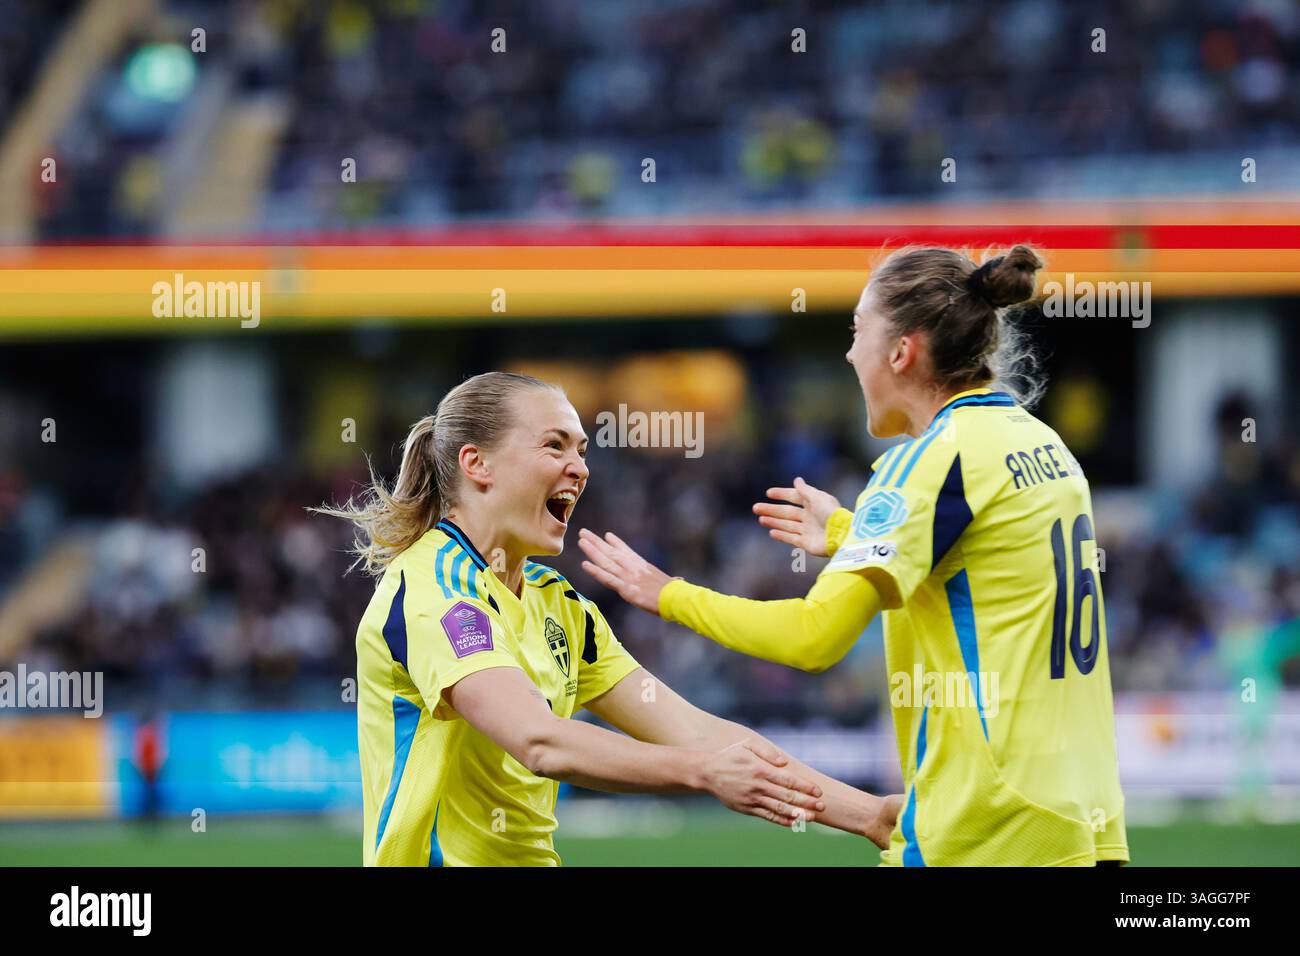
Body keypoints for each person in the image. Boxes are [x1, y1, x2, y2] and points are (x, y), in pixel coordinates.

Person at [578, 245, 1130, 867]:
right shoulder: (1042, 444)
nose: (848, 352)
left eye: (857, 330)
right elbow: (982, 563)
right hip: (1081, 813)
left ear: (902, 351)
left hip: (985, 824)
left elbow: (815, 639)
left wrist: (668, 594)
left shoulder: (922, 462)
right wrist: (848, 530)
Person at [316, 371, 900, 866]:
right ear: (478, 464)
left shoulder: (559, 604)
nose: (580, 467)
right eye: (554, 446)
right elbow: (539, 741)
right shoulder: (433, 592)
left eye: (582, 451)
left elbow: (699, 731)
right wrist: (702, 773)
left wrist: (871, 815)